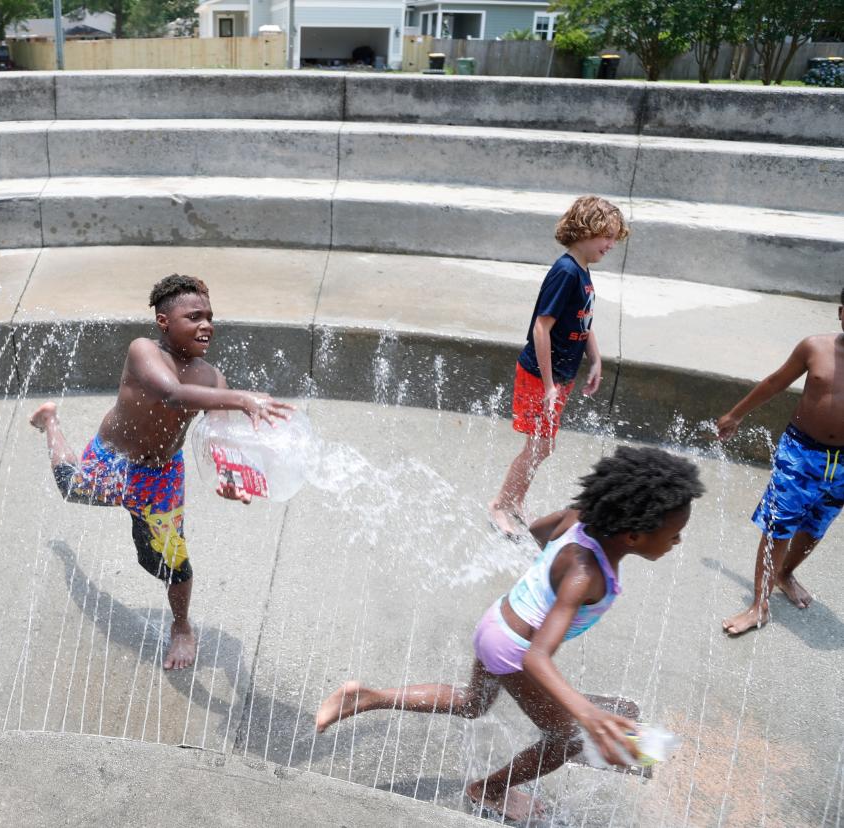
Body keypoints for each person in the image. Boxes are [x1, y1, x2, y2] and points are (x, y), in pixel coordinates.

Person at [317, 447, 703, 822]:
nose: (677, 541)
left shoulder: (580, 517)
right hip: (514, 650)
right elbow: (536, 658)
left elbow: (538, 530)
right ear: (633, 536)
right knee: (565, 738)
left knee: (473, 703)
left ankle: (367, 697)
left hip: (499, 620)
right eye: (674, 534)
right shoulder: (588, 574)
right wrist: (588, 715)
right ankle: (488, 789)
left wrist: (548, 575)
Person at [29, 274, 294, 670]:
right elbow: (170, 392)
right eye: (194, 316)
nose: (206, 325)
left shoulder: (212, 379)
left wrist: (228, 476)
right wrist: (243, 398)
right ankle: (50, 422)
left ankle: (182, 627)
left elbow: (216, 436)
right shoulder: (143, 351)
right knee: (70, 487)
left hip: (159, 477)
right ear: (164, 322)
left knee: (175, 561)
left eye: (209, 316)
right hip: (113, 460)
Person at [488, 196, 630, 539]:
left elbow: (583, 320)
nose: (611, 245)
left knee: (544, 446)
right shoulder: (565, 271)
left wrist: (595, 359)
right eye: (606, 236)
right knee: (538, 446)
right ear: (584, 231)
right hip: (540, 376)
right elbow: (541, 327)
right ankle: (499, 506)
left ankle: (515, 499)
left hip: (559, 376)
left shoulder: (582, 273)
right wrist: (549, 385)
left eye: (614, 238)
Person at [718, 290, 844, 635]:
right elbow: (775, 382)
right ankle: (759, 605)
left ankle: (785, 574)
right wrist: (735, 415)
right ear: (840, 313)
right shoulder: (815, 348)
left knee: (816, 527)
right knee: (780, 527)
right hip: (801, 454)